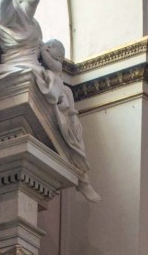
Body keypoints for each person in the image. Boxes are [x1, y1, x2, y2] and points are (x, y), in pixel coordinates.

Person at [36, 39, 101, 203]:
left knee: (74, 140)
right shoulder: (50, 76)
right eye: (47, 45)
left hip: (63, 107)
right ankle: (83, 179)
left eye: (51, 47)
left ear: (58, 57)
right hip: (55, 95)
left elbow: (48, 60)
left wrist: (42, 50)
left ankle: (82, 177)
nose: (47, 47)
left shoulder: (57, 70)